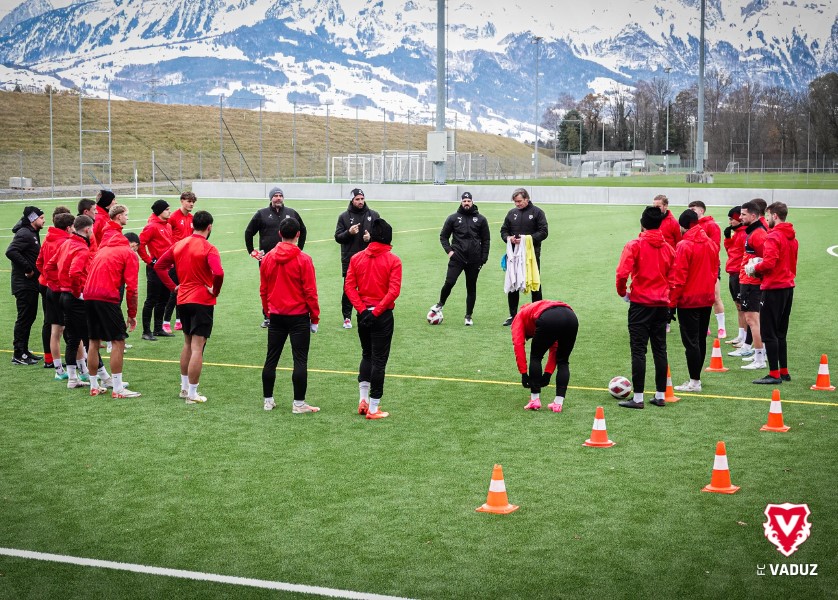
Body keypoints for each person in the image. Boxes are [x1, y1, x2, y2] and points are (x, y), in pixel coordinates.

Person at [156, 210, 224, 404]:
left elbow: (159, 266)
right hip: (202, 300)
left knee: (187, 344)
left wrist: (173, 287)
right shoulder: (209, 247)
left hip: (183, 299)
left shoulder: (179, 244)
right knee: (197, 347)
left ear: (192, 225)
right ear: (209, 227)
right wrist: (215, 290)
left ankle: (184, 388)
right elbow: (218, 273)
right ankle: (192, 393)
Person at [615, 206, 675, 409]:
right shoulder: (668, 248)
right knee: (660, 349)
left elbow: (622, 273)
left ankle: (639, 398)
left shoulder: (635, 245)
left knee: (638, 350)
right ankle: (660, 395)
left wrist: (623, 293)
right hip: (661, 303)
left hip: (641, 303)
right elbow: (674, 278)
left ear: (642, 224)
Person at [260, 218, 320, 413]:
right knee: (300, 360)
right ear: (298, 235)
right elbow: (310, 292)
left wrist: (268, 311)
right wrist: (315, 317)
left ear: (280, 234)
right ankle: (298, 404)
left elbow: (263, 290)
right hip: (298, 316)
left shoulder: (268, 258)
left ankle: (268, 400)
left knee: (271, 358)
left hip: (276, 315)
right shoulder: (304, 259)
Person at [344, 218, 402, 419]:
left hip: (363, 315)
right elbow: (394, 291)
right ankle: (374, 408)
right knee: (379, 360)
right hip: (382, 315)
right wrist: (376, 312)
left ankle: (363, 399)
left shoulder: (356, 258)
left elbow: (349, 287)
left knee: (367, 354)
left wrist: (362, 310)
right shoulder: (393, 260)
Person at [55, 215, 113, 390]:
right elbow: (74, 273)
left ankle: (72, 378)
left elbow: (49, 265)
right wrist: (77, 292)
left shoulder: (66, 243)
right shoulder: (81, 248)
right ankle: (104, 377)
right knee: (90, 339)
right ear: (87, 230)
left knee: (73, 337)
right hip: (75, 298)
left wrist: (59, 285)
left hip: (63, 295)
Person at [84, 230, 141, 398]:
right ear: (132, 244)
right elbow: (132, 289)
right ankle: (117, 388)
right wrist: (132, 314)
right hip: (106, 297)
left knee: (93, 341)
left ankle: (94, 386)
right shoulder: (128, 253)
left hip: (89, 295)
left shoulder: (102, 250)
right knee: (118, 341)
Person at [670, 210, 720, 392]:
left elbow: (678, 278)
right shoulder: (711, 244)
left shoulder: (684, 245)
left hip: (689, 300)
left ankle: (694, 382)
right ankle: (695, 379)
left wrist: (671, 304)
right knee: (700, 339)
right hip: (706, 298)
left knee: (691, 342)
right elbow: (714, 271)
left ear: (684, 226)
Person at [750, 202, 798, 385]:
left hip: (773, 288)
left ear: (774, 215)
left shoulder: (773, 236)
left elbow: (769, 263)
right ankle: (784, 371)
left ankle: (774, 374)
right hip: (788, 287)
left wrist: (755, 268)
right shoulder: (792, 237)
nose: (767, 219)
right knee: (780, 332)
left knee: (769, 332)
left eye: (768, 216)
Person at [245, 187, 307, 328]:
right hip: (268, 259)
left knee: (289, 286)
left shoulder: (291, 213)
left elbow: (303, 230)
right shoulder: (261, 214)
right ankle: (268, 316)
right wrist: (251, 251)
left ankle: (288, 313)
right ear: (271, 198)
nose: (278, 198)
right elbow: (249, 232)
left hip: (290, 258)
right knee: (268, 288)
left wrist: (299, 248)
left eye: (280, 195)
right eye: (275, 195)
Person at [428, 191, 491, 326]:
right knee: (449, 282)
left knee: (471, 288)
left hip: (474, 260)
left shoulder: (481, 219)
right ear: (461, 202)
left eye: (468, 201)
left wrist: (483, 258)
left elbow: (486, 240)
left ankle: (468, 316)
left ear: (472, 202)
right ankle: (440, 304)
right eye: (464, 201)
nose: (466, 203)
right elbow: (443, 237)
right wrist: (450, 252)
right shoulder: (453, 218)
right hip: (457, 258)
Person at [511, 300, 578, 413]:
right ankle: (558, 404)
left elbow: (518, 345)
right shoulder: (536, 309)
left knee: (536, 357)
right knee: (563, 361)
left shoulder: (519, 317)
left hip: (549, 318)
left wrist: (523, 373)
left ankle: (534, 400)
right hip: (571, 317)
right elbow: (554, 347)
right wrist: (548, 373)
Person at [499, 188, 548, 326]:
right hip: (514, 255)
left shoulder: (537, 212)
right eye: (515, 202)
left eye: (519, 201)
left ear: (527, 199)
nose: (517, 204)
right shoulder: (512, 213)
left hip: (531, 255)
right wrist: (509, 238)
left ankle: (538, 315)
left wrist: (526, 239)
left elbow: (544, 232)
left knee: (534, 283)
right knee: (513, 282)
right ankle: (513, 315)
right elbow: (503, 230)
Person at [729, 200, 769, 370]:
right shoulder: (753, 232)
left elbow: (766, 259)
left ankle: (760, 359)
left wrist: (754, 269)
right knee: (752, 320)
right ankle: (759, 354)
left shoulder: (758, 234)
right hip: (747, 281)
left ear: (753, 216)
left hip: (752, 283)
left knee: (753, 321)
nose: (740, 217)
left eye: (743, 214)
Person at [37, 208, 75, 378]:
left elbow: (40, 263)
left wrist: (48, 280)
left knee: (53, 327)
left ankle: (55, 366)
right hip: (61, 289)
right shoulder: (66, 242)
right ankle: (80, 368)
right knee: (72, 328)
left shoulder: (48, 239)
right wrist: (57, 281)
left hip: (48, 287)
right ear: (68, 227)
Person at [5, 206, 45, 365]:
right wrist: (28, 269)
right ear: (33, 219)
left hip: (30, 283)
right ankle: (18, 354)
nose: (44, 220)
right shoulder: (25, 233)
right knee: (24, 318)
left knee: (29, 317)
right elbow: (11, 251)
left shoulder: (32, 232)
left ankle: (24, 351)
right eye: (41, 218)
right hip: (24, 284)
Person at [334, 188, 378, 329]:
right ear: (352, 200)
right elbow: (338, 237)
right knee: (349, 289)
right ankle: (347, 317)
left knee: (370, 287)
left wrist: (370, 238)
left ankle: (370, 313)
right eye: (357, 199)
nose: (360, 201)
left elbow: (381, 236)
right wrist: (349, 232)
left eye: (362, 199)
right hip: (350, 259)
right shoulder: (344, 217)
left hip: (370, 259)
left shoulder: (374, 215)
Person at [138, 199, 175, 341]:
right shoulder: (151, 227)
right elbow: (140, 244)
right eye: (167, 209)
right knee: (151, 299)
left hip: (167, 268)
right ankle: (146, 331)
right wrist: (149, 260)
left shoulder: (168, 226)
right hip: (155, 269)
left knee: (164, 299)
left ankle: (158, 329)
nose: (169, 212)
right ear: (159, 211)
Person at [688, 200, 725, 338]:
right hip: (696, 266)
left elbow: (715, 247)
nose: (691, 211)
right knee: (699, 296)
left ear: (701, 210)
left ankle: (721, 327)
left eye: (693, 209)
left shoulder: (711, 225)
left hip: (710, 266)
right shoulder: (691, 225)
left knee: (715, 296)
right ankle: (705, 326)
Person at [162, 191, 198, 333]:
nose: (191, 204)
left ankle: (178, 321)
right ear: (182, 201)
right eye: (189, 201)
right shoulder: (173, 217)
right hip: (176, 258)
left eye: (193, 202)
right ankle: (166, 322)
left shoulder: (192, 218)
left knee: (184, 289)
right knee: (174, 291)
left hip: (188, 259)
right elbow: (166, 236)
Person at [722, 206, 748, 347]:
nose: (730, 221)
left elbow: (742, 254)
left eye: (732, 219)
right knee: (738, 306)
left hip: (739, 273)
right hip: (733, 272)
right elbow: (731, 251)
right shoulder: (737, 233)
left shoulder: (744, 234)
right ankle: (741, 335)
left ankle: (745, 338)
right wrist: (727, 239)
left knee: (743, 307)